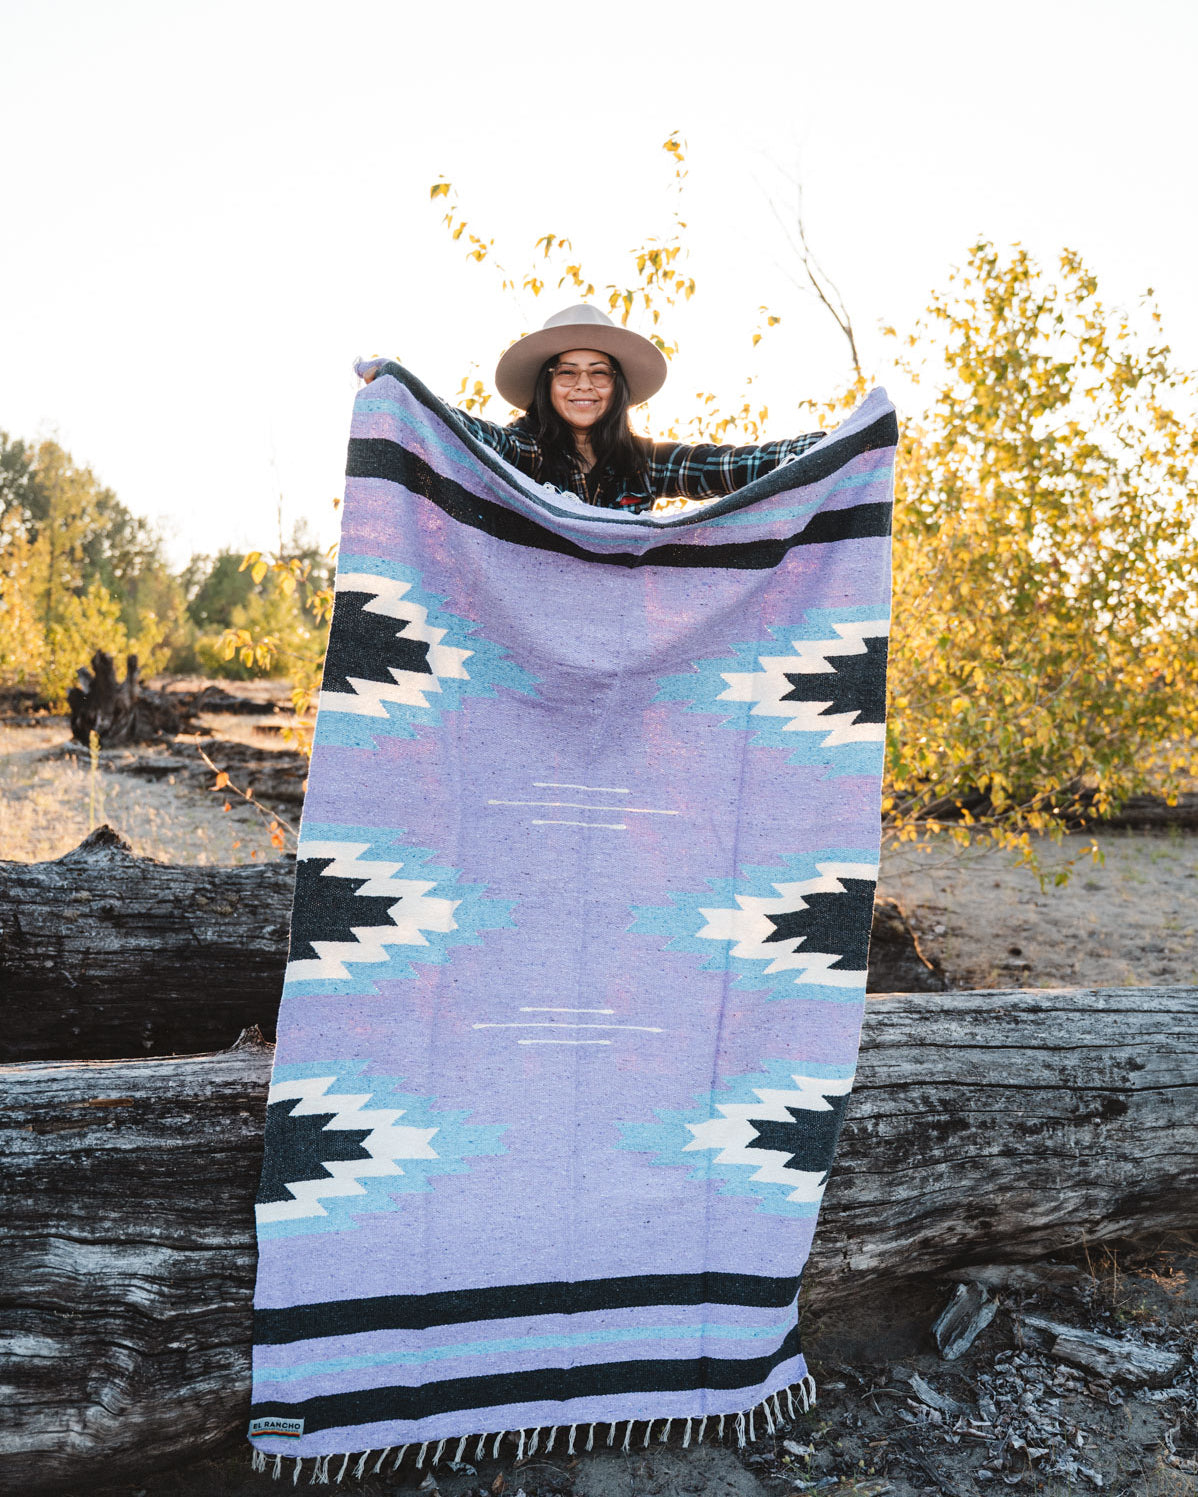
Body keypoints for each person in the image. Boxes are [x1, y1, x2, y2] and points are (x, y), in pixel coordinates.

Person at [362, 303, 825, 514]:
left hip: (625, 648)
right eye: (567, 372)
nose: (583, 385)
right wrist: (404, 389)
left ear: (617, 386)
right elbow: (463, 432)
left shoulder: (645, 464)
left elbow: (733, 466)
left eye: (598, 372)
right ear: (548, 385)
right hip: (527, 648)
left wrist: (830, 448)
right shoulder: (524, 452)